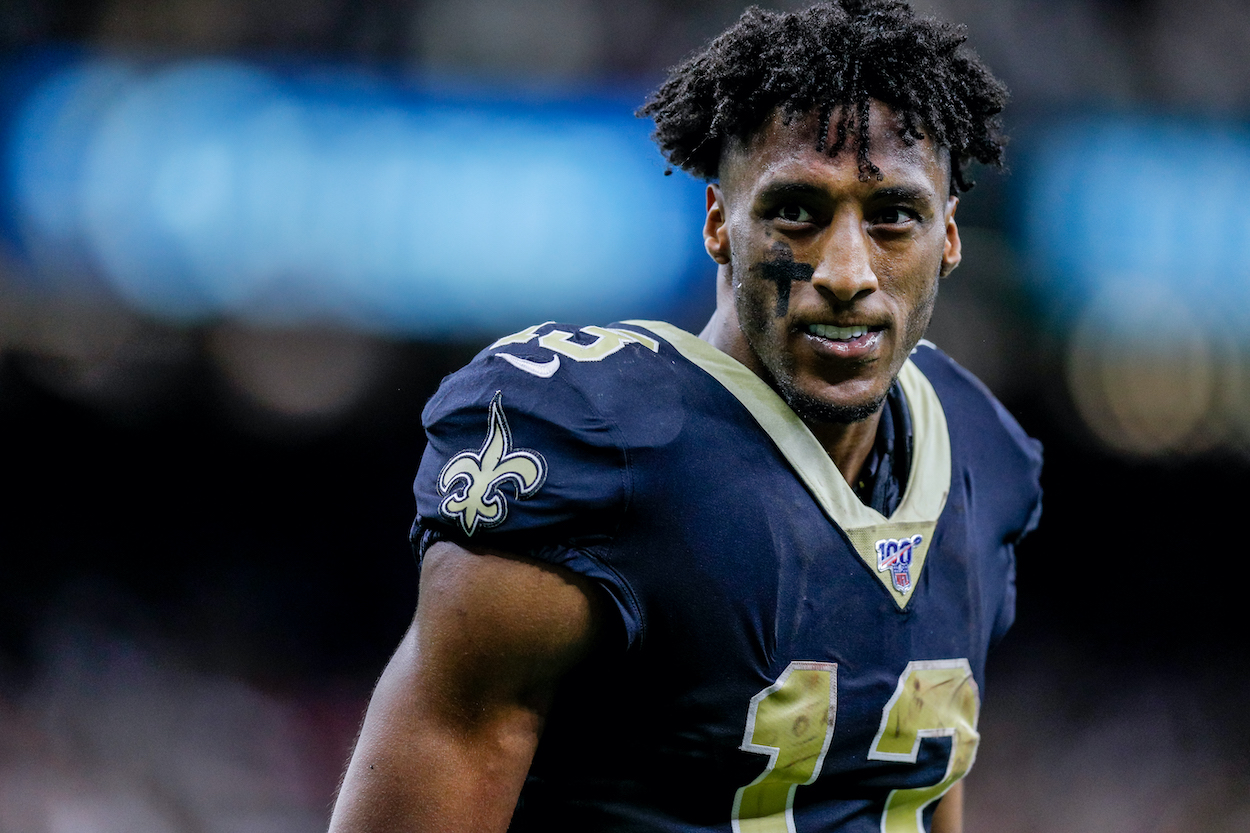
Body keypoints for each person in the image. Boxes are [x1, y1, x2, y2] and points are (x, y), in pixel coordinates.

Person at [328, 1, 1042, 831]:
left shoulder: (980, 453)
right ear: (719, 224)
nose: (847, 270)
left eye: (892, 218)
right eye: (796, 211)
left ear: (948, 236)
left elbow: (919, 791)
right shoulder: (598, 447)